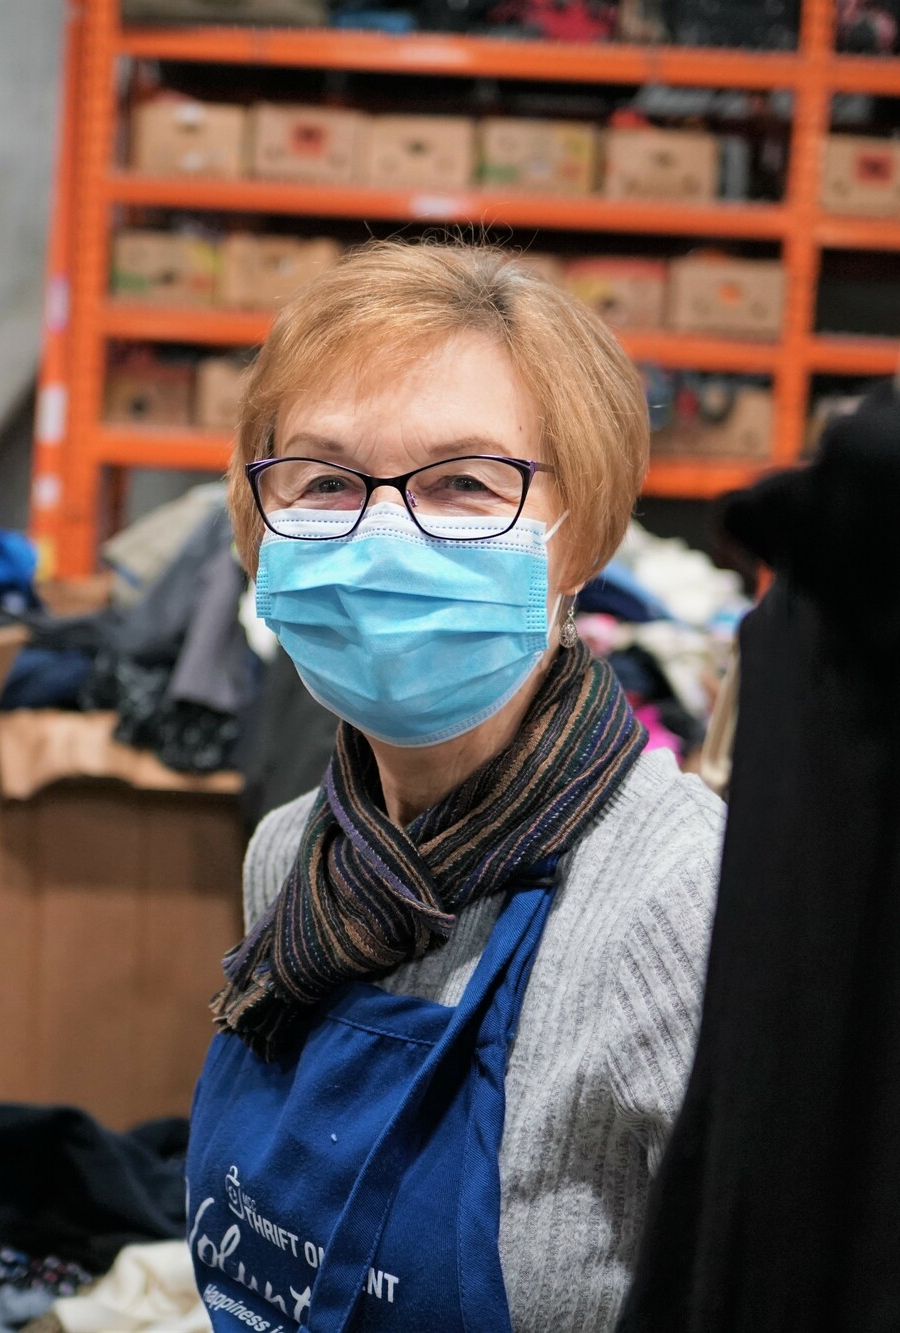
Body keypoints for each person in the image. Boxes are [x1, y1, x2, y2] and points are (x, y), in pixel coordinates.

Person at [185, 240, 724, 1331]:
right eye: (327, 481)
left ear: (582, 532)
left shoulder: (684, 903)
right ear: (257, 526)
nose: (385, 533)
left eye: (464, 484)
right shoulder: (292, 853)